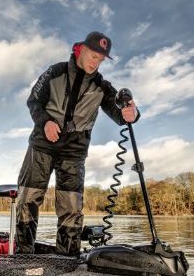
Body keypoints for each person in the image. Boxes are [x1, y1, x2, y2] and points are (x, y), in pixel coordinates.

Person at [16, 31, 139, 256]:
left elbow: (119, 113)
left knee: (71, 208)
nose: (96, 63)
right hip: (42, 146)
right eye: (94, 56)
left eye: (101, 60)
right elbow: (33, 101)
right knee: (27, 200)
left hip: (74, 153)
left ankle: (68, 260)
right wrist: (45, 123)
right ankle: (23, 255)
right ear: (81, 49)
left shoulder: (102, 86)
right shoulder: (55, 72)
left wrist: (132, 113)